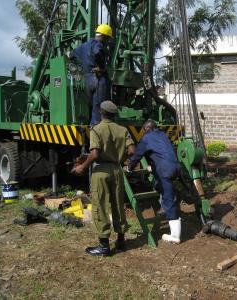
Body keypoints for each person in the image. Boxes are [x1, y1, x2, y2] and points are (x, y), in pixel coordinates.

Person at [72, 100, 135, 256]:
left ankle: (104, 246)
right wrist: (120, 156)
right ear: (114, 114)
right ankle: (121, 241)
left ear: (101, 112)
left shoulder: (97, 129)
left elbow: (95, 153)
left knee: (100, 205)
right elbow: (132, 151)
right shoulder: (123, 129)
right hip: (117, 169)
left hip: (101, 171)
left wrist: (82, 167)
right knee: (118, 205)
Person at [129, 119, 182, 244]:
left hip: (165, 170)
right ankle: (165, 207)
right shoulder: (163, 135)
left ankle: (175, 236)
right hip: (175, 167)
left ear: (146, 129)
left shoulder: (147, 138)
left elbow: (137, 155)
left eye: (144, 130)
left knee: (169, 198)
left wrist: (130, 167)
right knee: (157, 185)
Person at [70, 24, 113, 126]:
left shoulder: (84, 45)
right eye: (108, 39)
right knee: (99, 106)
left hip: (86, 80)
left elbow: (71, 55)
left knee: (90, 105)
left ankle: (90, 124)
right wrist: (101, 67)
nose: (108, 42)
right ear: (103, 36)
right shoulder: (98, 44)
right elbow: (98, 52)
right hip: (97, 80)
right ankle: (95, 127)